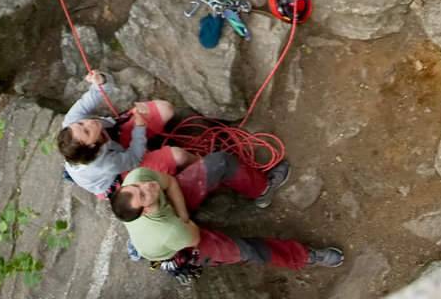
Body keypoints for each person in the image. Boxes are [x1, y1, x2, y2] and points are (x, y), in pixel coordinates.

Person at [112, 151, 343, 272]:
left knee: (220, 162)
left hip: (176, 218)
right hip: (182, 240)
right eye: (142, 195)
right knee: (245, 251)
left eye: (137, 187)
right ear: (143, 212)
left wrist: (183, 215)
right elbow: (192, 236)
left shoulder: (137, 178)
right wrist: (182, 223)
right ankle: (305, 257)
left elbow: (170, 182)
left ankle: (262, 189)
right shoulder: (168, 232)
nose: (147, 187)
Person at [57, 70, 194, 198]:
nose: (89, 123)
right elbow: (134, 158)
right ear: (92, 145)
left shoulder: (71, 121)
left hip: (115, 137)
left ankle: (150, 146)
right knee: (179, 156)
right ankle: (202, 164)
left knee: (165, 109)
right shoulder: (104, 164)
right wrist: (139, 127)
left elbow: (96, 93)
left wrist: (101, 80)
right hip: (119, 172)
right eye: (87, 131)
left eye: (81, 124)